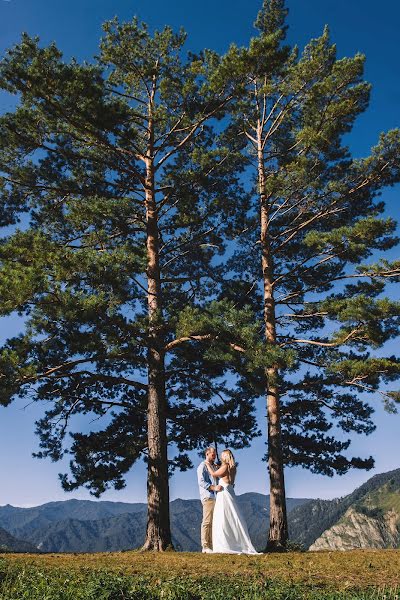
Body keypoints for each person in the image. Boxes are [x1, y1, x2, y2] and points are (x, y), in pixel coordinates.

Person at [204, 449, 261, 554]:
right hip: (230, 490)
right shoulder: (233, 468)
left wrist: (207, 464)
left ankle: (224, 544)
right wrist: (218, 467)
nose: (220, 457)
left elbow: (214, 474)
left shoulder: (225, 467)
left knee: (222, 517)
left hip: (223, 493)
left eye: (221, 456)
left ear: (225, 457)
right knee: (233, 515)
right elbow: (225, 474)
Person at [197, 446, 223, 553]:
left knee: (213, 522)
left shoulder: (214, 466)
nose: (215, 456)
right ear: (207, 454)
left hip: (216, 497)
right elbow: (201, 482)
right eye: (213, 454)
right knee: (207, 521)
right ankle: (205, 546)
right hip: (208, 496)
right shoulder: (202, 466)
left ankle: (212, 545)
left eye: (215, 454)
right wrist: (214, 488)